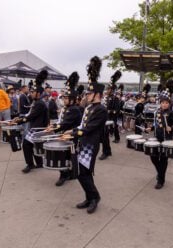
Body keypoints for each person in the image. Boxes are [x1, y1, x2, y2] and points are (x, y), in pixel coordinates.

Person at [68, 56, 107, 214]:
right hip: (83, 142)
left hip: (90, 144)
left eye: (89, 93)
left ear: (97, 94)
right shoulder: (90, 108)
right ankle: (89, 197)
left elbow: (89, 128)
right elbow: (83, 125)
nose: (86, 95)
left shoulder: (101, 110)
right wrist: (74, 131)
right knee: (80, 173)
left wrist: (73, 132)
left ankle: (95, 198)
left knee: (84, 173)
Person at [46, 72, 82, 186]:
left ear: (72, 99)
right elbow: (61, 121)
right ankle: (68, 173)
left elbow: (65, 124)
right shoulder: (65, 108)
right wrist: (54, 125)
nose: (64, 99)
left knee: (65, 155)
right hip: (64, 135)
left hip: (71, 136)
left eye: (67, 98)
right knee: (65, 155)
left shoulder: (74, 109)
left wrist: (54, 127)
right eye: (64, 97)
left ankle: (65, 174)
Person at [12, 70, 49, 173]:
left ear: (38, 93)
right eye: (31, 91)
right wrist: (18, 119)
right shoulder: (36, 102)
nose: (31, 93)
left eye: (33, 92)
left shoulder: (40, 104)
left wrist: (19, 121)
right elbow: (29, 114)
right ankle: (39, 163)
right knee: (31, 145)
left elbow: (30, 117)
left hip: (38, 129)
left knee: (26, 145)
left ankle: (30, 164)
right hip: (35, 128)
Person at [145, 88, 173, 189]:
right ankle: (160, 173)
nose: (164, 104)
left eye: (166, 103)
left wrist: (172, 128)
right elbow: (157, 125)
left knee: (163, 160)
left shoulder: (172, 113)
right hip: (157, 138)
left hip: (167, 140)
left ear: (169, 103)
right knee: (153, 156)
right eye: (162, 102)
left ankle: (161, 180)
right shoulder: (157, 112)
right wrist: (150, 128)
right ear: (160, 103)